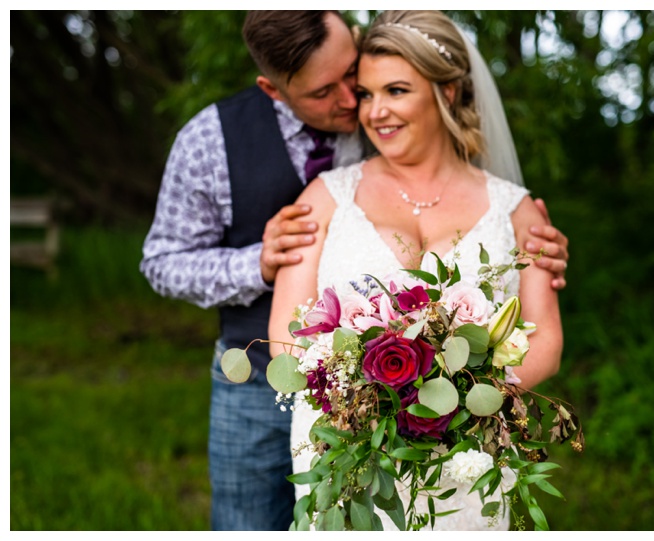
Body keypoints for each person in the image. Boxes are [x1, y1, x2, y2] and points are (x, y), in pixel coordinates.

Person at [141, 10, 568, 531]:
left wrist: (458, 401)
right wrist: (258, 261)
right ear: (274, 90)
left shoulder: (510, 207)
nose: (358, 106)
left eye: (364, 83)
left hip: (465, 445)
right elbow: (179, 271)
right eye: (339, 91)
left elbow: (541, 329)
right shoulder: (240, 154)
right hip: (286, 394)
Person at [268, 10, 563, 531]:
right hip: (348, 452)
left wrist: (463, 401)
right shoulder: (324, 199)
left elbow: (546, 343)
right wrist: (371, 397)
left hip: (468, 459)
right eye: (366, 94)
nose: (375, 111)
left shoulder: (515, 212)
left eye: (396, 90)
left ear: (447, 91)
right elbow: (285, 337)